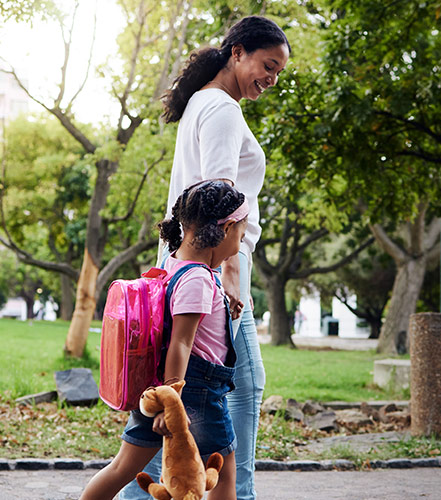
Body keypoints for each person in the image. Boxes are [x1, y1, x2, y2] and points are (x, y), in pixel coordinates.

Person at [120, 16, 290, 500]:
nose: (271, 78)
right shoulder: (221, 111)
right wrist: (231, 282)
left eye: (278, 71)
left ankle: (144, 491)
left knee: (191, 397)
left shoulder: (206, 103)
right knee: (227, 393)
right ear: (237, 52)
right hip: (214, 281)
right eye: (266, 65)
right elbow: (219, 205)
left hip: (199, 275)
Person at [81, 181, 248, 500]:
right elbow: (181, 345)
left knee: (122, 468)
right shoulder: (198, 279)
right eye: (240, 235)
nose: (238, 245)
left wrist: (225, 306)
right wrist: (171, 407)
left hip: (157, 387)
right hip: (192, 394)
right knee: (223, 473)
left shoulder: (174, 264)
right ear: (225, 229)